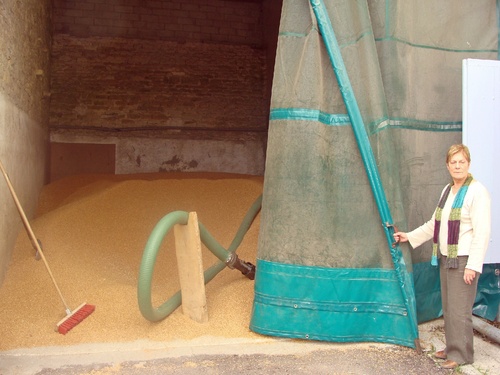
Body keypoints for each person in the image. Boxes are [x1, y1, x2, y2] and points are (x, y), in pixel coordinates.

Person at [393, 144, 491, 370]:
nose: (457, 166)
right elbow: (434, 224)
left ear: (468, 164)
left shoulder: (477, 191)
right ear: (448, 166)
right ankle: (452, 348)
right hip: (447, 258)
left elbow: (482, 232)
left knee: (460, 309)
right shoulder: (447, 191)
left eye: (461, 162)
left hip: (464, 260)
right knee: (450, 307)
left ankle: (461, 355)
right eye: (453, 162)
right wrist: (409, 236)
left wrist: (473, 266)